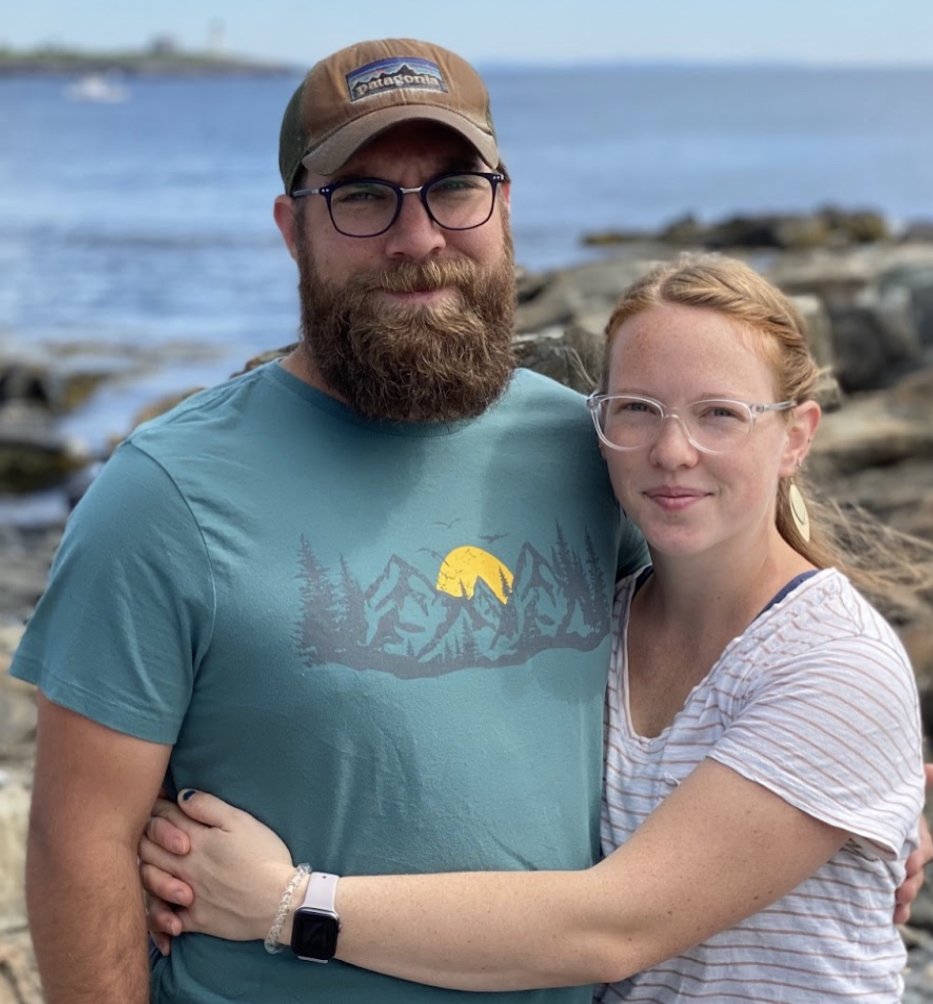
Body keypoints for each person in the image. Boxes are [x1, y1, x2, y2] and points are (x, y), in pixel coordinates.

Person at [11, 37, 647, 1004]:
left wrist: (861, 801)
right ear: (290, 228)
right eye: (361, 197)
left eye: (453, 187)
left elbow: (738, 654)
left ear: (503, 205)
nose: (418, 236)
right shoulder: (163, 494)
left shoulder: (593, 451)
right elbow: (79, 843)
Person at [141, 254, 928, 1001]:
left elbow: (615, 927)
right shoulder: (595, 620)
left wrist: (286, 906)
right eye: (636, 411)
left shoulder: (835, 667)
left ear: (795, 435)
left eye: (720, 415)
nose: (672, 451)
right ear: (598, 425)